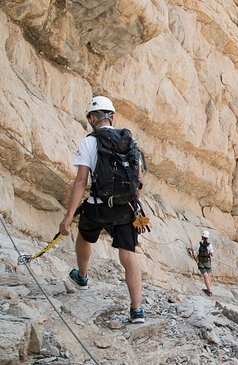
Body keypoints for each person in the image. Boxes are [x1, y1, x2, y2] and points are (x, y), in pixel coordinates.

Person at [59, 96, 145, 324]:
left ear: (93, 118)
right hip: (126, 208)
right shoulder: (130, 140)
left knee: (85, 237)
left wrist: (68, 216)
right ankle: (136, 310)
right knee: (128, 256)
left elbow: (80, 181)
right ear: (113, 116)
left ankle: (83, 277)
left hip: (98, 207)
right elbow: (140, 180)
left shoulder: (89, 142)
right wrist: (134, 206)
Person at [191, 230, 214, 296]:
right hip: (208, 262)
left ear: (202, 236)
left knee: (205, 276)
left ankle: (209, 291)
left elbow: (193, 249)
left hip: (201, 262)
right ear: (207, 237)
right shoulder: (210, 245)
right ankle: (209, 290)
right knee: (208, 276)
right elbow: (212, 254)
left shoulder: (198, 244)